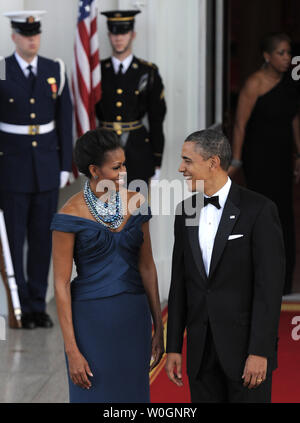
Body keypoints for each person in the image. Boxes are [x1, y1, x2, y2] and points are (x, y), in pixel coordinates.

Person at [165, 129, 285, 403]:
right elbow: (179, 283)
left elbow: (269, 288)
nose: (180, 168)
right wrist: (173, 347)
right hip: (200, 352)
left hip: (245, 353)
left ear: (213, 162)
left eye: (187, 160)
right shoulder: (186, 211)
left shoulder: (260, 210)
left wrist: (260, 351)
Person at [50, 128, 164, 403]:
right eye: (116, 167)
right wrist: (72, 350)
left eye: (124, 164)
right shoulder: (69, 214)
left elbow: (147, 267)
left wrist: (158, 326)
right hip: (91, 322)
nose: (124, 172)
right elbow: (61, 283)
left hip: (133, 318)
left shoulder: (136, 203)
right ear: (94, 170)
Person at [0, 11, 73, 329]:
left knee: (43, 238)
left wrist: (63, 164)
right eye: (25, 34)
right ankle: (18, 307)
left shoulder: (54, 69)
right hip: (11, 167)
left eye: (36, 33)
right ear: (14, 36)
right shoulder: (1, 69)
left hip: (45, 166)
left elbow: (65, 120)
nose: (32, 39)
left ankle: (37, 305)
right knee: (13, 238)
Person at [228, 32, 300, 295]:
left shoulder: (291, 86)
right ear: (267, 56)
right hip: (258, 158)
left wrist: (299, 155)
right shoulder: (254, 84)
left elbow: (294, 121)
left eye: (289, 52)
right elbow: (239, 124)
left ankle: (282, 281)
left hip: (282, 157)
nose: (286, 58)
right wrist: (236, 159)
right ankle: (257, 280)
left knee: (284, 216)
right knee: (261, 215)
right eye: (281, 53)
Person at [95, 10, 166, 185]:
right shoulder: (97, 72)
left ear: (132, 35)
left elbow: (156, 119)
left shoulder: (147, 72)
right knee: (104, 210)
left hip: (138, 153)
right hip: (104, 152)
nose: (118, 38)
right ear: (109, 35)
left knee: (135, 209)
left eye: (124, 33)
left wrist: (157, 161)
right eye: (114, 33)